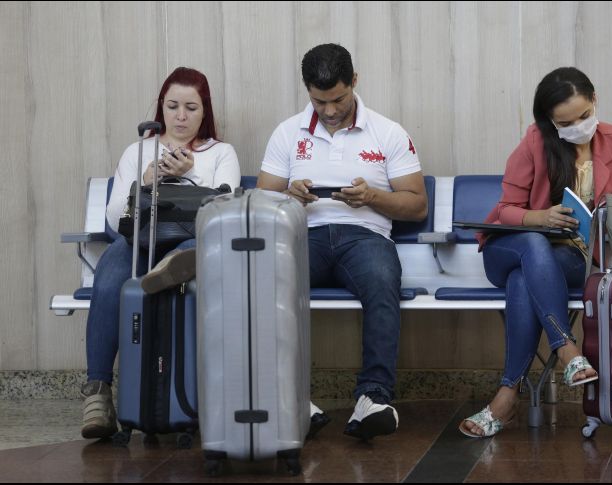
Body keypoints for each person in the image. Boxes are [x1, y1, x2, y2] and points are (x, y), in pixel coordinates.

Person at [257, 43, 428, 441]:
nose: (330, 110)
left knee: (383, 282)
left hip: (365, 237)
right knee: (264, 281)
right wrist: (289, 196)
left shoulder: (388, 133)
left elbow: (417, 205)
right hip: (304, 235)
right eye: (320, 102)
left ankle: (374, 397)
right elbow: (262, 200)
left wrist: (373, 197)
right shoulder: (287, 133)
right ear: (307, 90)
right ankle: (290, 398)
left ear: (355, 81)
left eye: (338, 99)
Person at [459, 67, 612, 438]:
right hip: (509, 249)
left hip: (571, 258)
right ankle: (567, 350)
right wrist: (541, 217)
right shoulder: (535, 143)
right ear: (550, 121)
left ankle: (506, 397)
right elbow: (505, 209)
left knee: (525, 281)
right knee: (533, 245)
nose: (579, 126)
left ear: (595, 100)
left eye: (585, 116)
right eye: (566, 122)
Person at [80, 67, 241, 439]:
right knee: (111, 274)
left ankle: (170, 273)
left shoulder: (221, 153)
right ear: (161, 109)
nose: (181, 117)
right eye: (172, 107)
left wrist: (191, 176)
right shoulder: (139, 150)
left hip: (192, 241)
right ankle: (98, 395)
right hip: (139, 242)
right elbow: (113, 214)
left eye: (191, 108)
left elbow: (227, 208)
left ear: (205, 112)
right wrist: (149, 179)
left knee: (190, 251)